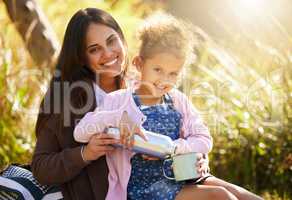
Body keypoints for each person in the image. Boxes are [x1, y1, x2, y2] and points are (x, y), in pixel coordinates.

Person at [73, 12, 264, 200]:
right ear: (139, 64)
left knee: (242, 195)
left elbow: (204, 140)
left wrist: (173, 149)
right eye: (158, 70)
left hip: (182, 174)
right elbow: (80, 132)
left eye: (173, 74)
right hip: (145, 187)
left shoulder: (178, 101)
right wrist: (117, 117)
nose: (164, 80)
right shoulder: (119, 100)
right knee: (220, 196)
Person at [31, 8, 209, 200]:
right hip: (111, 194)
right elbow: (41, 167)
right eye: (94, 49)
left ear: (121, 38)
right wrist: (85, 153)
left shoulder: (145, 82)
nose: (108, 53)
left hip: (169, 182)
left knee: (238, 194)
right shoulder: (65, 99)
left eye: (111, 41)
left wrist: (196, 162)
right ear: (82, 57)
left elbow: (183, 138)